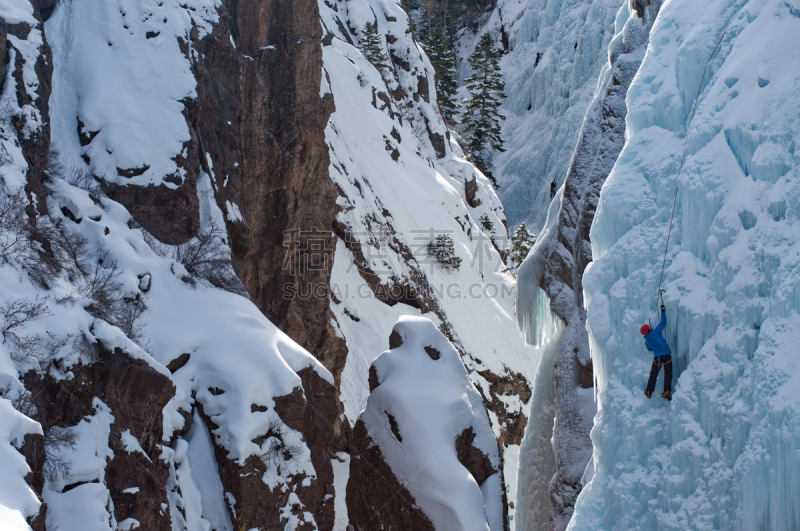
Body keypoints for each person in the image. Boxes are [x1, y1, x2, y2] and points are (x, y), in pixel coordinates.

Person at [640, 304, 672, 400]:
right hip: (666, 355)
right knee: (668, 373)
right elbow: (663, 322)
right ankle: (666, 391)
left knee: (653, 374)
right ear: (648, 329)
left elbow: (650, 349)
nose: (650, 326)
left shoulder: (647, 341)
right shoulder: (656, 331)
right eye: (648, 326)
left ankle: (649, 390)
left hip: (657, 358)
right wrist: (663, 311)